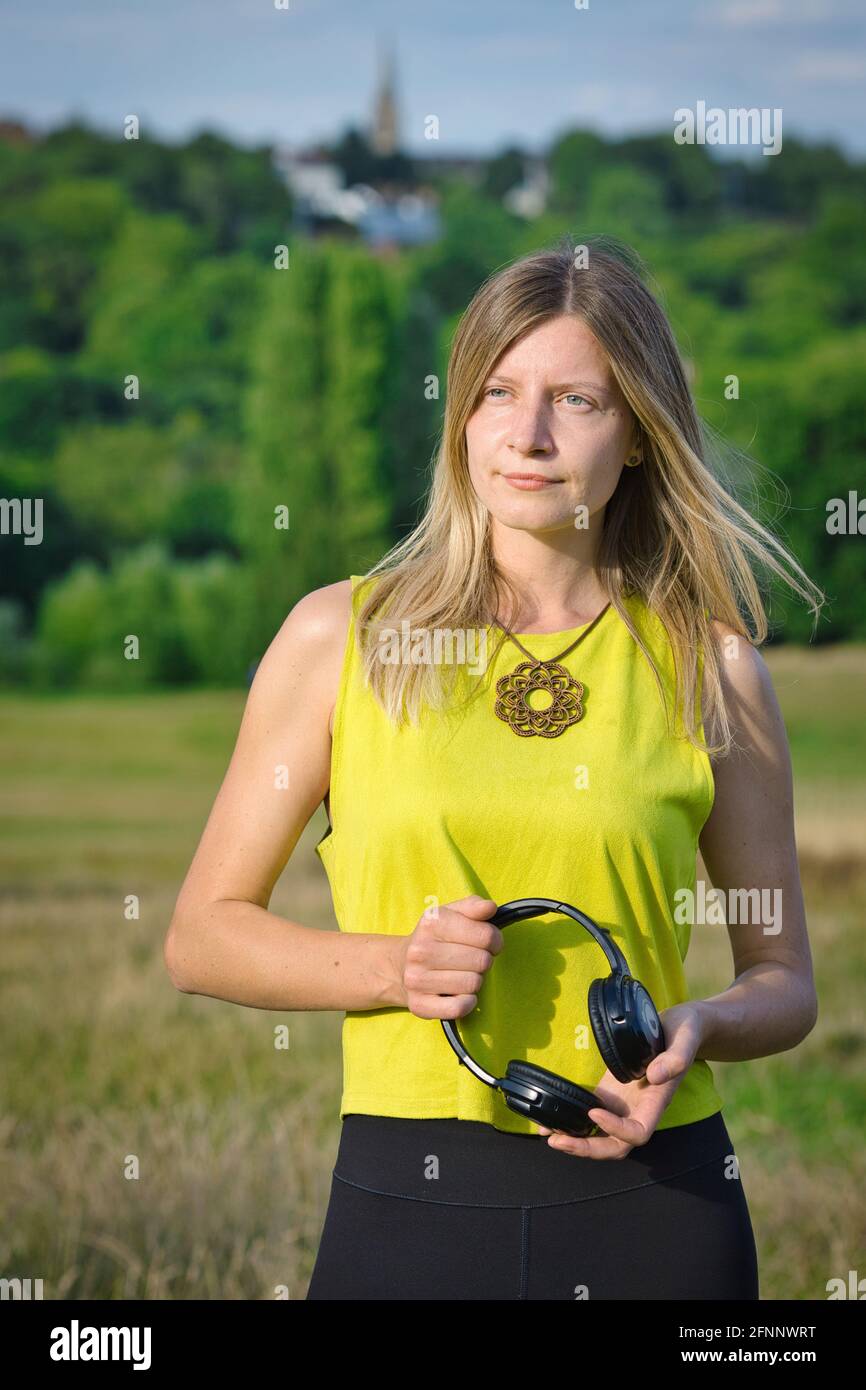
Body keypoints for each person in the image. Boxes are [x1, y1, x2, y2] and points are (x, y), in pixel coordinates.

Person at [164, 236, 822, 1301]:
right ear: (459, 416)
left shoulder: (715, 669)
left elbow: (784, 981)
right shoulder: (339, 638)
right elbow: (200, 934)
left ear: (640, 435)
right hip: (405, 1210)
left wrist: (697, 1025)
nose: (525, 434)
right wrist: (393, 969)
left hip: (660, 1211)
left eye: (575, 400)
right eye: (497, 393)